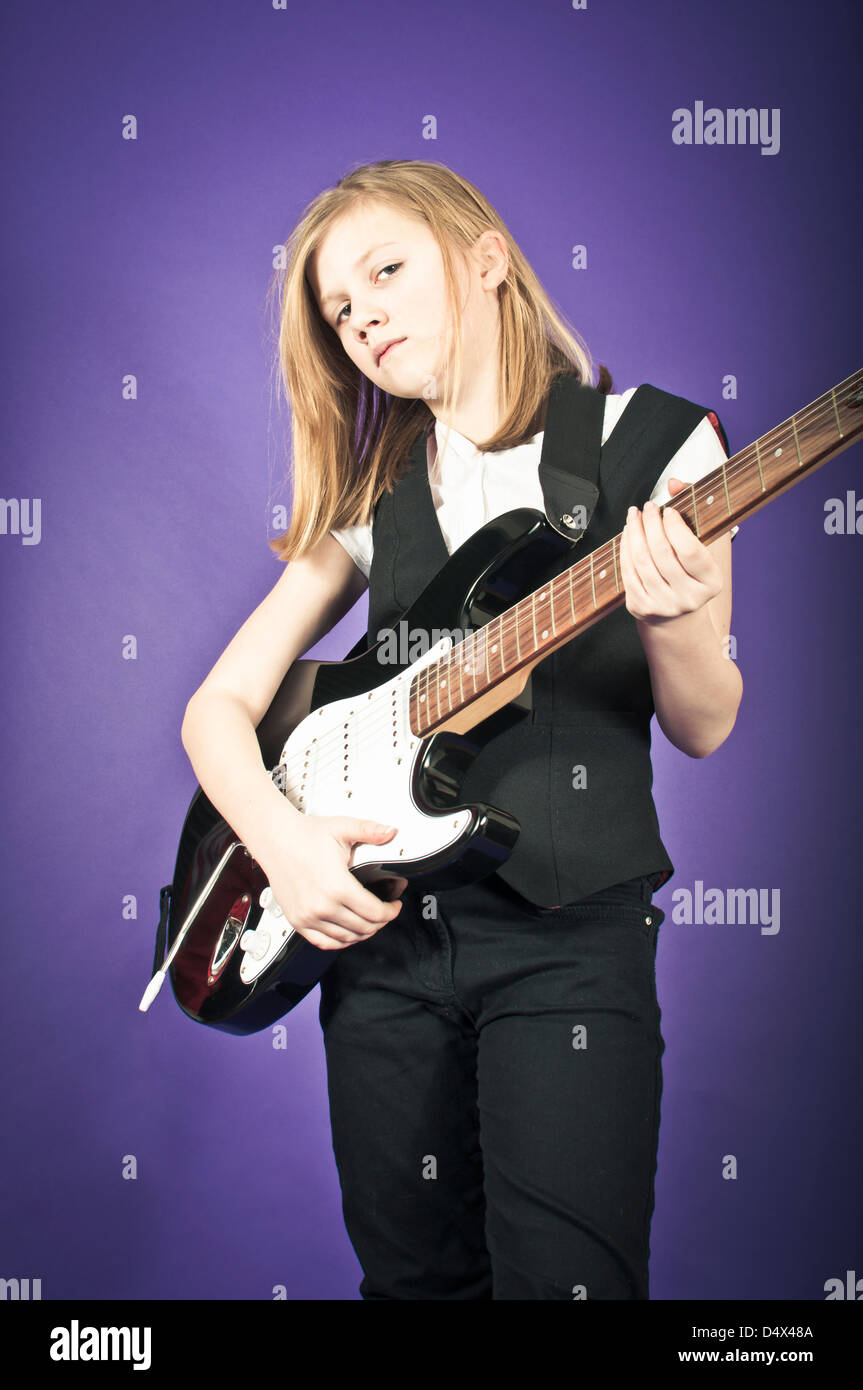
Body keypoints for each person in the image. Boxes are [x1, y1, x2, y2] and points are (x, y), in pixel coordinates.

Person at [180, 159, 743, 1300]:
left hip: (567, 943)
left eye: (386, 270)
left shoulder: (655, 444)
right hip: (382, 953)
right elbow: (215, 709)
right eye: (340, 310)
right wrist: (283, 851)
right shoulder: (373, 496)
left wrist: (675, 621)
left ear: (484, 259)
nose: (362, 315)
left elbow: (703, 722)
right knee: (412, 1285)